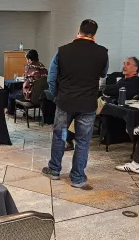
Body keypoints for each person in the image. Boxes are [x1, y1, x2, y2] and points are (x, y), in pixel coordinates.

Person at [42, 19, 108, 189]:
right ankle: (77, 178)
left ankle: (54, 170)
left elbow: (51, 78)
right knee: (83, 141)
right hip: (88, 104)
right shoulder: (103, 53)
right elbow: (102, 78)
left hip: (65, 102)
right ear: (95, 34)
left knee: (60, 136)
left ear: (79, 30)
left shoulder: (63, 51)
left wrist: (57, 95)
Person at [7, 49, 48, 115]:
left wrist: (25, 79)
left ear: (29, 59)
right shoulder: (43, 67)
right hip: (43, 97)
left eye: (27, 59)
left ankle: (10, 113)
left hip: (32, 98)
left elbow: (26, 85)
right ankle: (25, 111)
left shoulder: (30, 67)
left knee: (11, 94)